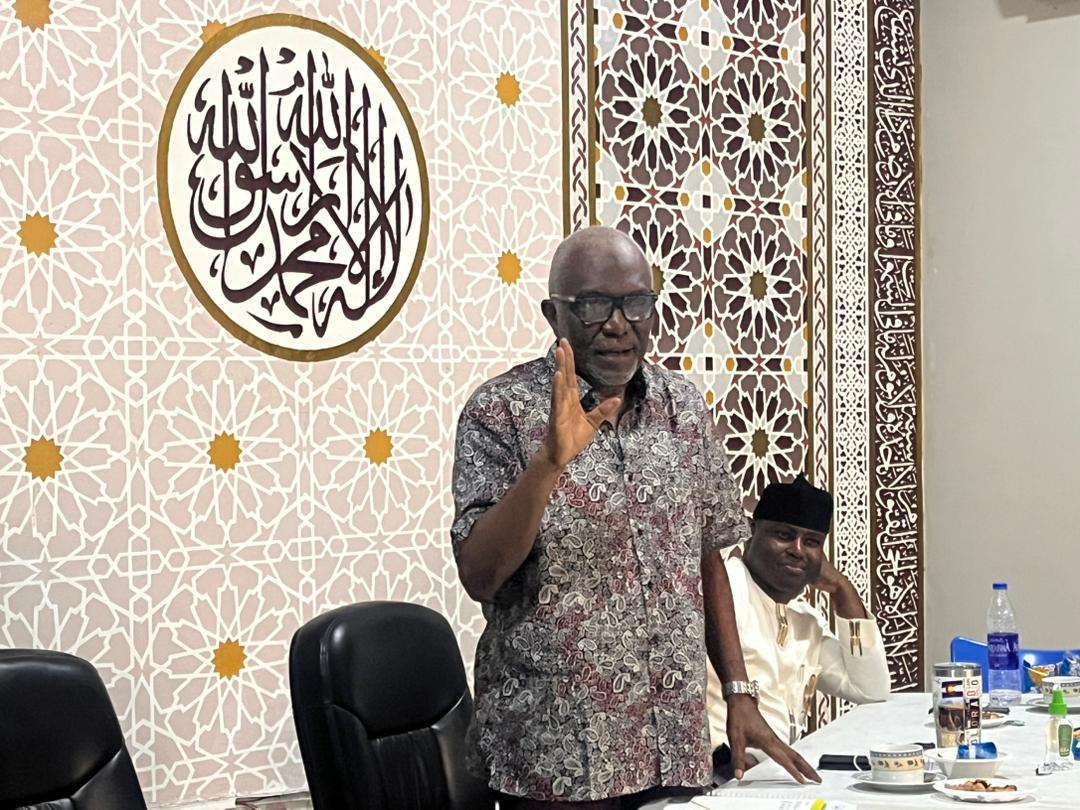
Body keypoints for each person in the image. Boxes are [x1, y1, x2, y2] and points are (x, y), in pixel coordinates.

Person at [450, 227, 819, 809]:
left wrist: (738, 691)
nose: (618, 325)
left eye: (636, 303)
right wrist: (548, 464)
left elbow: (705, 558)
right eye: (594, 306)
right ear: (553, 314)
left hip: (673, 740)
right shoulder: (500, 410)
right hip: (557, 756)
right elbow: (480, 575)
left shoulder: (682, 406)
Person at [705, 474, 892, 777]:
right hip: (722, 774)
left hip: (776, 778)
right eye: (783, 535)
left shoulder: (806, 622)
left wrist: (843, 589)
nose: (797, 549)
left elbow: (870, 689)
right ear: (752, 530)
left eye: (812, 542)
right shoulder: (726, 589)